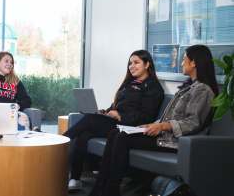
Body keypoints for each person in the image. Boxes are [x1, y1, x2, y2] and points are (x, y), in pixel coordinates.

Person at [89, 45, 219, 196]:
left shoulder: (202, 90)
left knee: (122, 137)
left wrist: (163, 126)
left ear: (194, 63)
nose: (182, 63)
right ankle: (100, 189)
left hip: (177, 141)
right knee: (115, 133)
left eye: (184, 59)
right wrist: (152, 125)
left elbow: (193, 123)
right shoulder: (189, 87)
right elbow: (171, 118)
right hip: (167, 134)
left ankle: (110, 190)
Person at [63, 50, 164, 190]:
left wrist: (121, 116)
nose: (131, 66)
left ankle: (58, 144)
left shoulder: (153, 87)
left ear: (147, 64)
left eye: (136, 62)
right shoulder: (128, 83)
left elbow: (146, 117)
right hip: (116, 122)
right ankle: (75, 178)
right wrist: (107, 111)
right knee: (84, 134)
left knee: (89, 119)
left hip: (130, 126)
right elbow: (118, 105)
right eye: (130, 63)